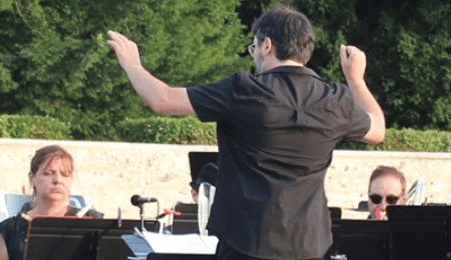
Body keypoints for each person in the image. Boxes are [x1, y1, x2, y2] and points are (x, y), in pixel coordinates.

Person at [106, 6, 385, 259]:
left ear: (267, 45)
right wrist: (355, 78)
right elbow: (377, 129)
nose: (254, 56)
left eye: (254, 47)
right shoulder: (335, 100)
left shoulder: (244, 90)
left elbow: (162, 100)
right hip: (310, 247)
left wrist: (132, 64)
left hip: (246, 246)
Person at [0, 145, 101, 260]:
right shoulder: (10, 230)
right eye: (48, 173)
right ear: (32, 178)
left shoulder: (91, 221)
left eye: (65, 175)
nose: (58, 180)